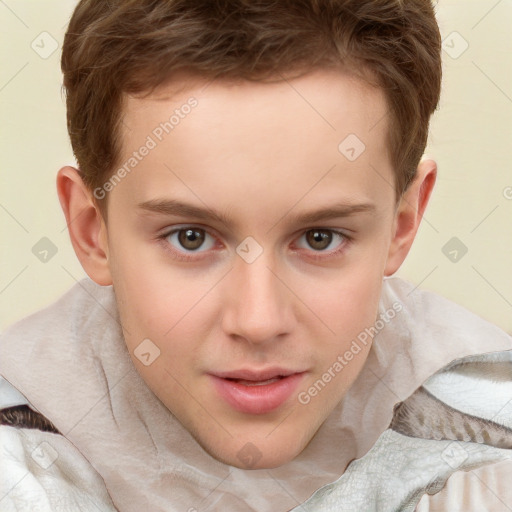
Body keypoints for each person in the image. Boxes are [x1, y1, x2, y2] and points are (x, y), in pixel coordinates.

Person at [1, 0, 511, 510]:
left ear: (402, 223)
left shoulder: (491, 464)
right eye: (191, 238)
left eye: (320, 238)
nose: (259, 321)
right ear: (93, 232)